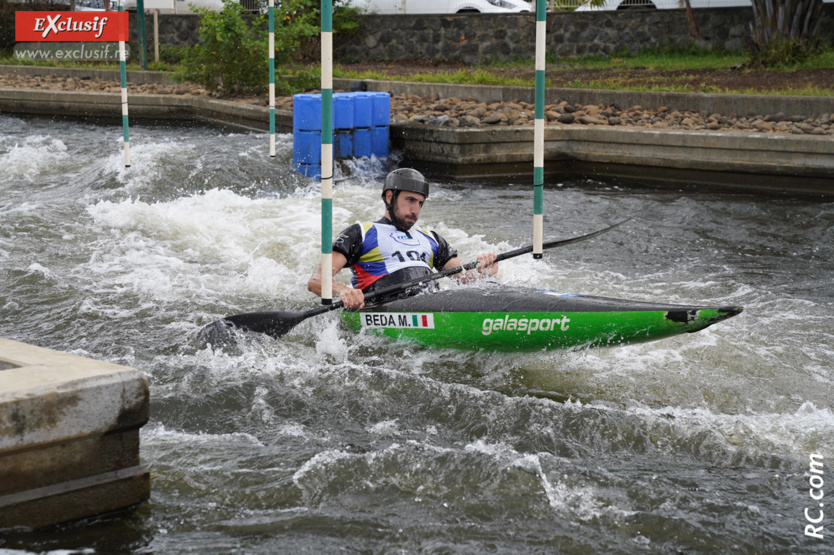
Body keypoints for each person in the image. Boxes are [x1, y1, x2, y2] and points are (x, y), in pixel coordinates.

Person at [308, 168, 498, 309]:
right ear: (390, 197)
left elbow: (465, 279)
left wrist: (486, 272)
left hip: (433, 305)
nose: (415, 210)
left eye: (420, 203)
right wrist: (343, 291)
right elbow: (317, 281)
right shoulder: (361, 233)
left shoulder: (431, 238)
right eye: (410, 200)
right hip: (385, 307)